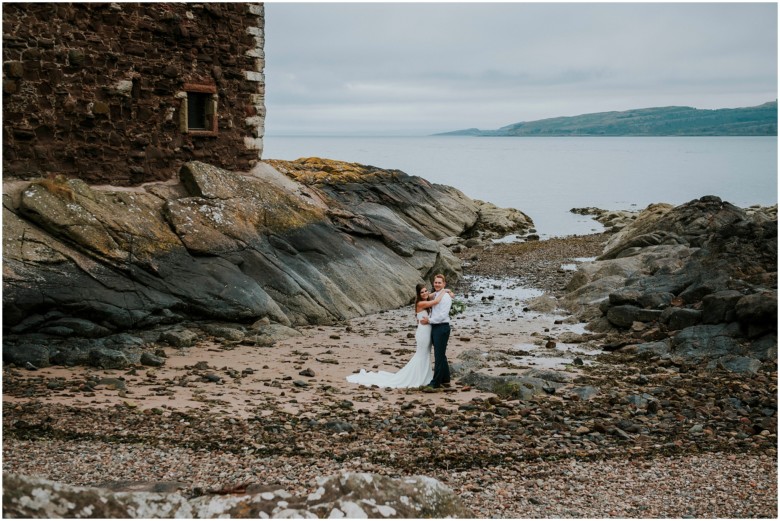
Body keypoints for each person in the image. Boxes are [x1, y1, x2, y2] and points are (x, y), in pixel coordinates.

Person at [346, 283, 447, 388]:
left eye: (426, 291)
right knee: (421, 355)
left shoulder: (425, 299)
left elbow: (432, 295)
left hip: (426, 331)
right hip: (423, 333)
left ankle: (424, 377)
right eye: (422, 292)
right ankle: (419, 378)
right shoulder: (421, 304)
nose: (425, 293)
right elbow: (436, 301)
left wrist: (444, 291)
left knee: (425, 354)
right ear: (419, 294)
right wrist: (443, 291)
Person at [425, 274, 452, 388]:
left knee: (438, 356)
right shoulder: (437, 294)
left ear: (444, 284)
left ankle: (435, 382)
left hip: (441, 327)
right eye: (435, 282)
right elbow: (427, 298)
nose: (437, 284)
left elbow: (442, 316)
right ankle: (445, 378)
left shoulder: (446, 297)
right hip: (436, 327)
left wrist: (429, 320)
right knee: (441, 354)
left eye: (439, 283)